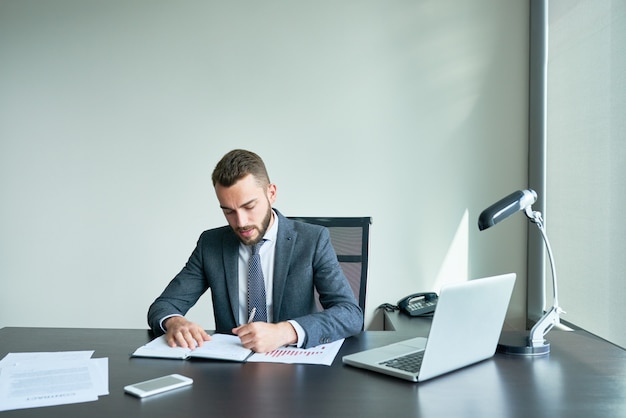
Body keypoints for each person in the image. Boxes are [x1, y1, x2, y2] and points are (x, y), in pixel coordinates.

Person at [147, 149, 363, 353]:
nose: (241, 222)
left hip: (295, 369)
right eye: (229, 211)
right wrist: (174, 321)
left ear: (272, 193)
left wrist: (285, 331)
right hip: (231, 371)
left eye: (249, 207)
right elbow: (164, 305)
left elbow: (350, 314)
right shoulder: (210, 244)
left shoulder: (312, 240)